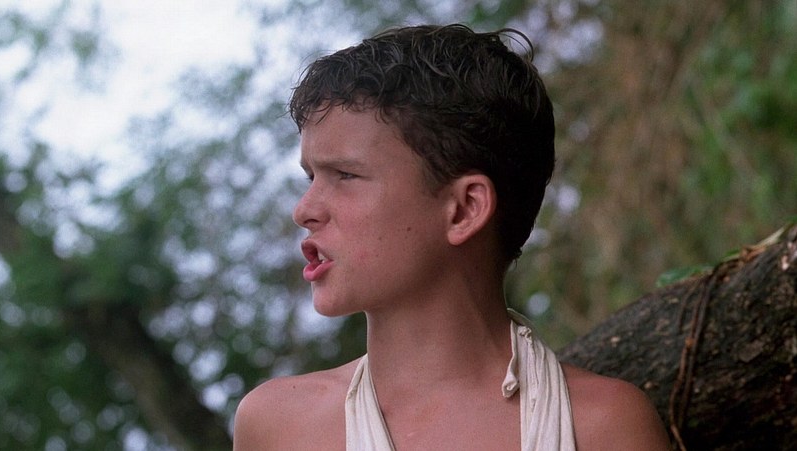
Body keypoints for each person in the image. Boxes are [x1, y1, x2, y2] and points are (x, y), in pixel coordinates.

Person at [233, 24, 671, 450]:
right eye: (311, 177)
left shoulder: (602, 428)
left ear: (464, 209)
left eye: (345, 175)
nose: (304, 210)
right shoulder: (277, 427)